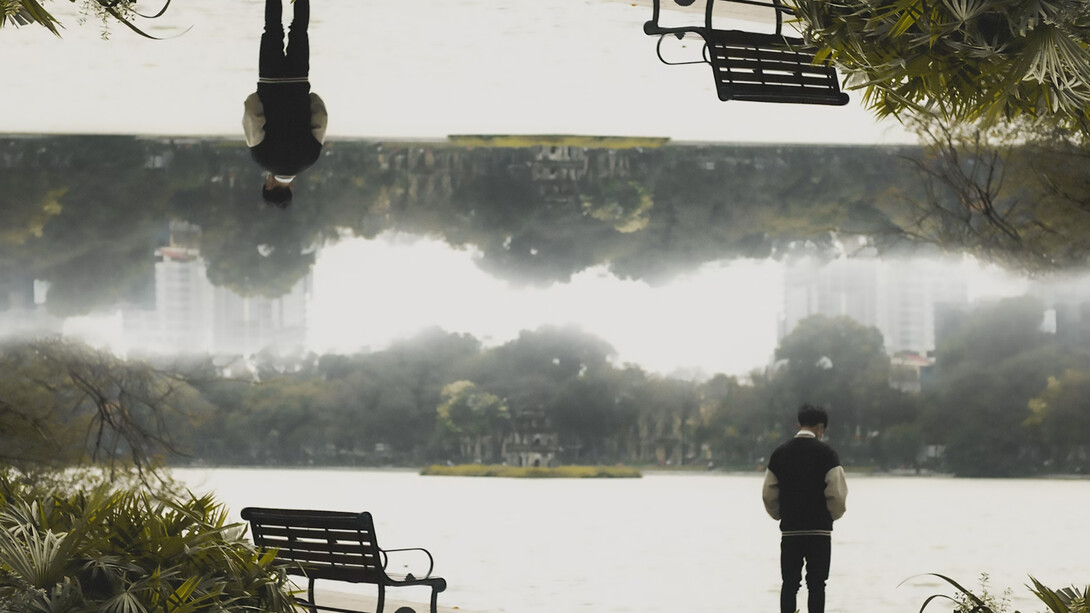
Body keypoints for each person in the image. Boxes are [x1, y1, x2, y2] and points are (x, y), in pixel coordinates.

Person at [762, 404, 848, 613]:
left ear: (799, 424)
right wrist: (830, 516)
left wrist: (781, 515)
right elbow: (837, 493)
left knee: (790, 584)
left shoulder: (780, 453)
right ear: (820, 427)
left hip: (790, 531)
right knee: (817, 584)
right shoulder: (828, 454)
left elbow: (768, 493)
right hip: (819, 531)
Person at [242, 0, 328, 208]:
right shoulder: (261, 158)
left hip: (298, 81)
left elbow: (320, 118)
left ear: (290, 189)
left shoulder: (310, 158)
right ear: (269, 186)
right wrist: (258, 96)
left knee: (299, 29)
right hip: (269, 81)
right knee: (272, 28)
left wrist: (308, 97)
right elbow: (253, 116)